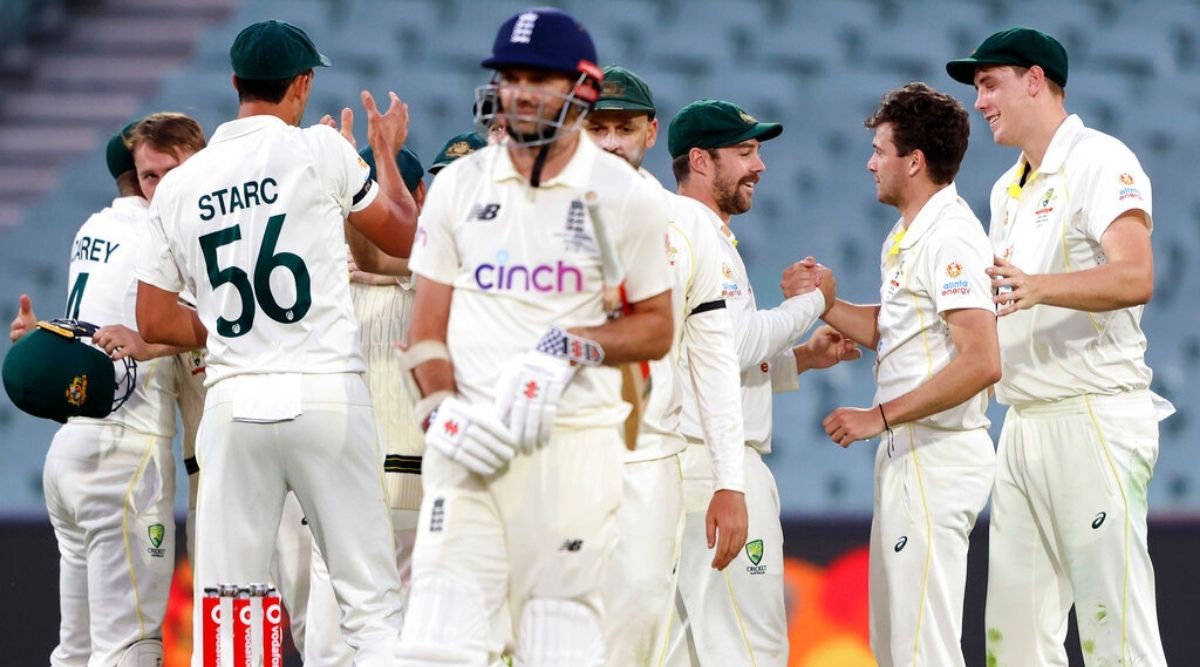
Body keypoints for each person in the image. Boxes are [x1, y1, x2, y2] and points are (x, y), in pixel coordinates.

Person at [132, 19, 418, 666]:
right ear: (303, 84)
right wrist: (384, 155)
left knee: (233, 608)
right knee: (370, 605)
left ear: (235, 84)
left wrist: (231, 327)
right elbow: (406, 239)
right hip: (325, 392)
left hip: (233, 401)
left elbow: (151, 319)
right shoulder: (317, 150)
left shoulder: (179, 185)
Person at [396, 8, 675, 665]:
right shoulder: (459, 187)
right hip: (470, 449)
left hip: (573, 448)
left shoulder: (624, 195)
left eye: (538, 79)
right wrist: (442, 412)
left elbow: (657, 326)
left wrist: (569, 345)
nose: (519, 92)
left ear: (581, 88)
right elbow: (424, 332)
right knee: (437, 640)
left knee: (559, 640)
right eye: (510, 77)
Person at [946, 28, 1170, 667]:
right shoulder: (1005, 188)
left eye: (990, 84)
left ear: (1036, 80)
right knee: (1011, 641)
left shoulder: (1101, 160)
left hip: (1093, 414)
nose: (980, 101)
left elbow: (1137, 277)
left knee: (1115, 630)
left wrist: (1041, 287)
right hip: (1022, 423)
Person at [7, 113, 204, 667]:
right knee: (130, 646)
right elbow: (209, 324)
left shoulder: (91, 230)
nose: (162, 185)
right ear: (139, 178)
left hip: (70, 455)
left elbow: (99, 318)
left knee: (75, 650)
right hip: (127, 455)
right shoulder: (166, 237)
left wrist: (40, 333)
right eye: (153, 175)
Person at [666, 99, 856, 666]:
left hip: (689, 460)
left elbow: (706, 360)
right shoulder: (697, 229)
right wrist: (812, 302)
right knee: (753, 644)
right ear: (700, 160)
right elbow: (735, 344)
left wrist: (800, 359)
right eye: (745, 152)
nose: (761, 165)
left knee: (688, 646)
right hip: (717, 466)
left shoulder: (693, 232)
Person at [817, 82, 999, 666]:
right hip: (907, 453)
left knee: (925, 646)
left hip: (934, 454)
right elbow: (899, 329)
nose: (871, 162)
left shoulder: (950, 238)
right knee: (897, 645)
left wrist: (880, 415)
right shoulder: (910, 234)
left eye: (879, 149)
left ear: (914, 161)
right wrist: (823, 303)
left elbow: (982, 359)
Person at [584, 64, 747, 666]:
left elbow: (714, 362)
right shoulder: (541, 218)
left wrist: (729, 481)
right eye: (595, 127)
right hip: (556, 455)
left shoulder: (685, 226)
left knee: (635, 639)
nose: (608, 142)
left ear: (651, 132)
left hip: (647, 462)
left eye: (623, 128)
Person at [302, 143, 427, 667]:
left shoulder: (435, 267)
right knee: (341, 638)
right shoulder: (321, 270)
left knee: (379, 637)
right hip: (351, 472)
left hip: (402, 480)